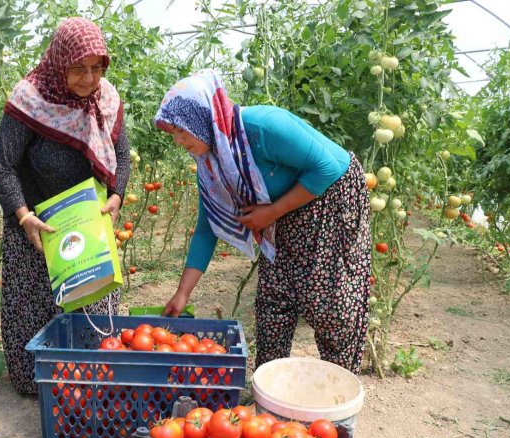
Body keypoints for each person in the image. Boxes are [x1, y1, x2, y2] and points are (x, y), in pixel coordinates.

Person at [156, 70, 370, 374]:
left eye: (180, 130)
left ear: (201, 118)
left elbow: (327, 168)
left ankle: (338, 388)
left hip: (329, 199)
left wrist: (272, 212)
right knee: (274, 302)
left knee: (328, 304)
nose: (178, 140)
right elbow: (207, 229)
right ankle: (269, 385)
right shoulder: (211, 164)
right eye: (171, 133)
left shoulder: (261, 126)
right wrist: (182, 294)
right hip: (283, 210)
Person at [0, 17, 130, 394]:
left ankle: (87, 384)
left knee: (92, 302)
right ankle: (38, 385)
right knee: (32, 306)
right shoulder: (30, 100)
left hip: (88, 221)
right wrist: (23, 216)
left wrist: (116, 197)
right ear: (59, 63)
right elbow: (2, 166)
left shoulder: (107, 100)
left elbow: (122, 158)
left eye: (96, 68)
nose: (89, 79)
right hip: (36, 224)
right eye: (79, 69)